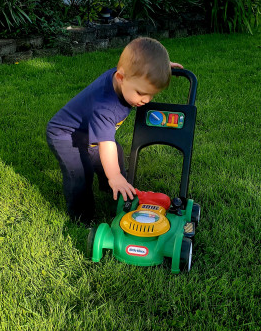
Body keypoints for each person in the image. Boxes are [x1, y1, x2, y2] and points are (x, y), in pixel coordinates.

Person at [46, 37, 182, 225]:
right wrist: (115, 175)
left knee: (115, 156)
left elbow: (140, 61)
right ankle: (81, 217)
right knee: (80, 173)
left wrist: (162, 67)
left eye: (152, 94)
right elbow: (106, 144)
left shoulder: (127, 76)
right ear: (120, 77)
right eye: (141, 93)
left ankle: (115, 191)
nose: (147, 100)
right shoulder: (106, 106)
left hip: (88, 132)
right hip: (66, 134)